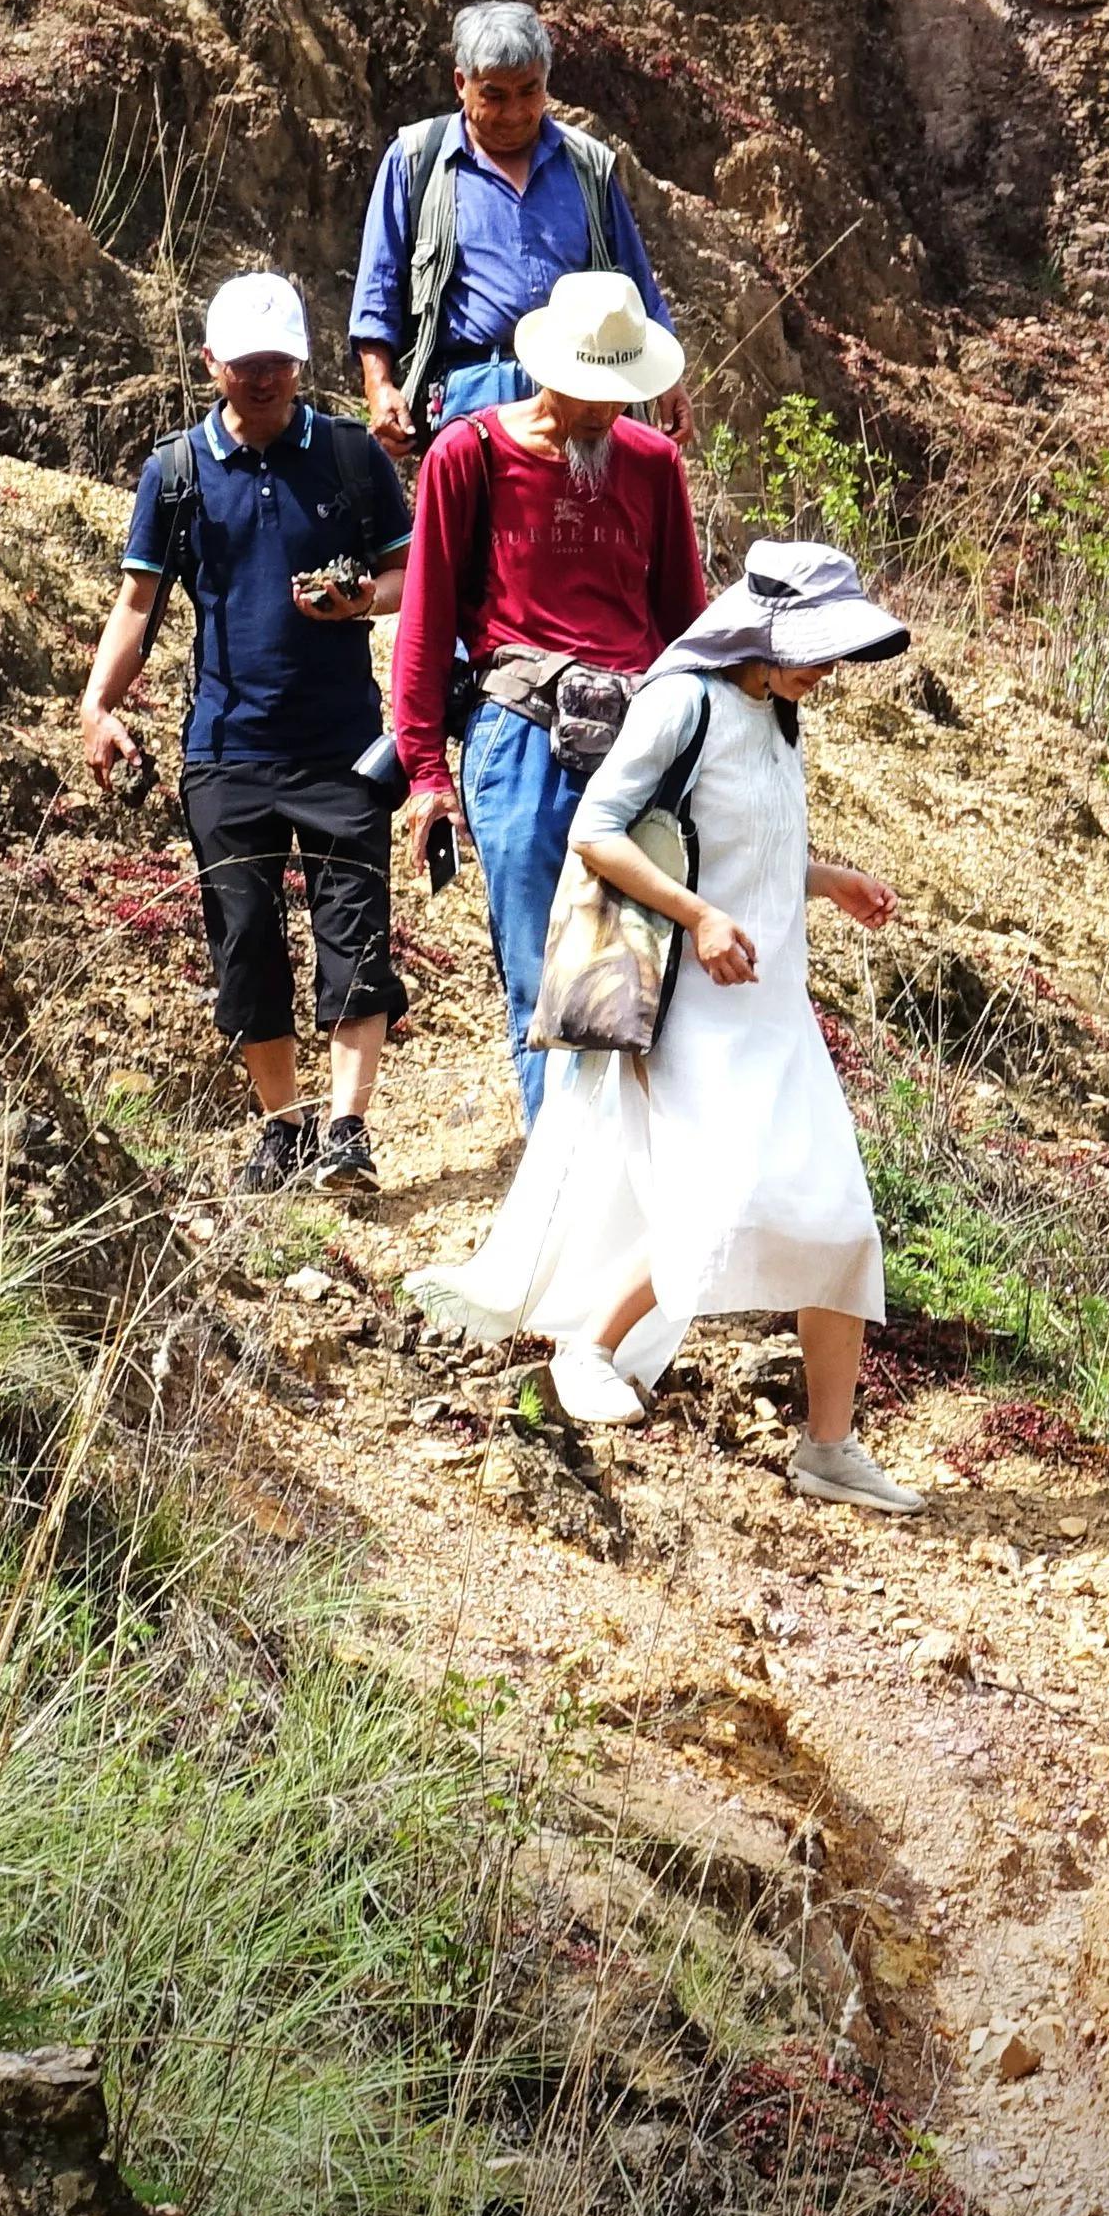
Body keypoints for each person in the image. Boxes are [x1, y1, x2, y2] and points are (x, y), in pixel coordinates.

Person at [412, 541, 919, 1512]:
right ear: (759, 634)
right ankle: (589, 1352)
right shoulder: (682, 704)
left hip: (774, 1011)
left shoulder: (778, 716)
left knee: (844, 1225)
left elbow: (740, 845)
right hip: (690, 1011)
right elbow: (599, 833)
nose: (827, 670)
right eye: (814, 649)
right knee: (720, 1200)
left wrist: (827, 879)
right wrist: (699, 918)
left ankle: (828, 1449)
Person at [76, 271, 413, 1191]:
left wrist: (356, 604)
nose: (263, 380)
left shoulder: (351, 458)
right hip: (225, 749)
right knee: (245, 937)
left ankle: (348, 1128)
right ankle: (283, 1126)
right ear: (212, 364)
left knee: (354, 931)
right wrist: (97, 707)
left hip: (343, 744)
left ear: (301, 364)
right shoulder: (176, 474)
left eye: (279, 364)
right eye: (245, 365)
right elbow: (136, 603)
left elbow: (407, 581)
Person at [388, 263, 702, 1122]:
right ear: (545, 369)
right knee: (539, 974)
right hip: (518, 730)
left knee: (633, 974)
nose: (601, 411)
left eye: (616, 394)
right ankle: (557, 1195)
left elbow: (685, 625)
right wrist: (424, 775)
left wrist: (708, 745)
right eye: (584, 392)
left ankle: (629, 1196)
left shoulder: (652, 465)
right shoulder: (470, 454)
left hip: (638, 736)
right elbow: (426, 617)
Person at [351, 1, 680, 450]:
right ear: (460, 84)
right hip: (471, 397)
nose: (514, 112)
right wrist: (379, 384)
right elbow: (378, 287)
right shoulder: (415, 161)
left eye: (529, 91)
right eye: (495, 96)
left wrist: (667, 381)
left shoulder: (586, 166)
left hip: (582, 393)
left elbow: (634, 285)